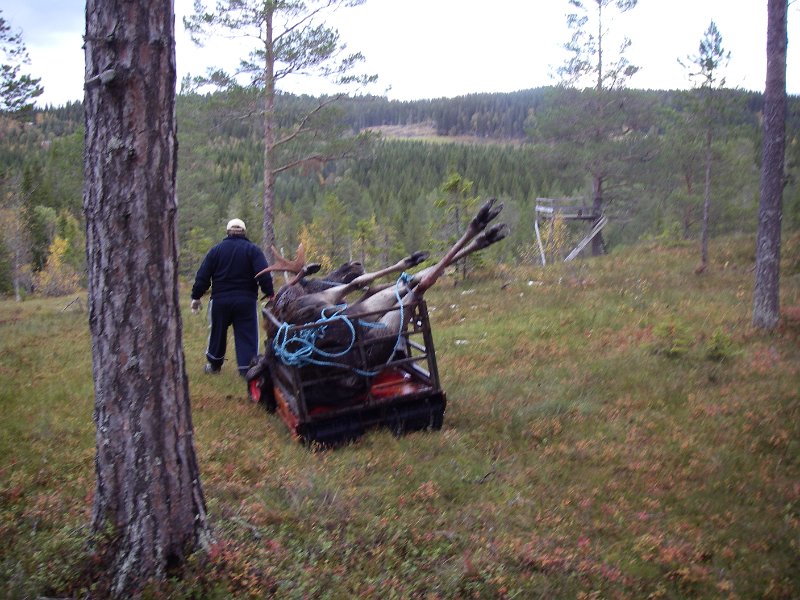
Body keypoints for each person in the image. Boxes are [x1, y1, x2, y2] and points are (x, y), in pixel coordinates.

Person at [190, 218, 274, 377]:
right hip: (246, 301)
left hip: (220, 301)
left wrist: (196, 297)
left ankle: (214, 365)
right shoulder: (253, 250)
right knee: (247, 335)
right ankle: (247, 370)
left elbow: (203, 276)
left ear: (227, 232)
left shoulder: (216, 250)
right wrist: (270, 294)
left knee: (217, 333)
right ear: (244, 232)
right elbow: (263, 275)